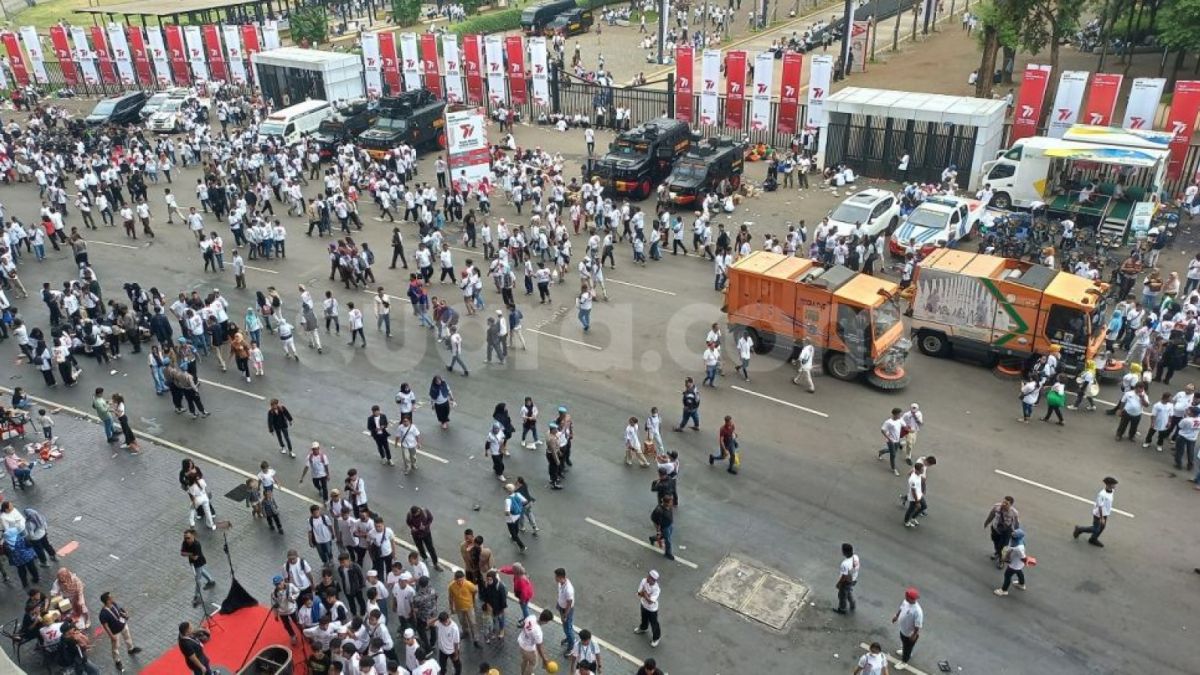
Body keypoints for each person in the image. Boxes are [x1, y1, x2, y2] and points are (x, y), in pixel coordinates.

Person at [97, 592, 142, 671]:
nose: (113, 597)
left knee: (128, 638)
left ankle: (130, 649)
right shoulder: (103, 614)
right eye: (111, 597)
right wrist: (111, 636)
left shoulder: (113, 604)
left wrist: (124, 614)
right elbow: (106, 626)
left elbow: (119, 610)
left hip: (123, 625)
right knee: (115, 647)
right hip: (115, 632)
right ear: (107, 601)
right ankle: (117, 661)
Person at [1073, 476, 1118, 547]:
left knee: (1102, 527)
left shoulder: (1111, 491)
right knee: (1096, 529)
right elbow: (1100, 507)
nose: (1115, 485)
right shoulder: (1102, 495)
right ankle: (1079, 529)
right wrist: (1102, 518)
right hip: (1099, 514)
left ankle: (1093, 539)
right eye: (1114, 484)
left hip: (1105, 513)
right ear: (1109, 485)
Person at [983, 496, 1020, 568]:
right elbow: (991, 515)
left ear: (1011, 505)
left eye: (1006, 503)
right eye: (1003, 502)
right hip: (995, 528)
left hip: (1006, 531)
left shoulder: (1014, 512)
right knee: (995, 542)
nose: (1004, 504)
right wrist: (986, 522)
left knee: (1003, 547)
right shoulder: (996, 507)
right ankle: (997, 552)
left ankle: (1001, 560)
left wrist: (1016, 532)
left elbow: (1016, 523)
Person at [891, 587, 923, 669]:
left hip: (910, 634)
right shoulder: (906, 602)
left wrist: (913, 635)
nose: (905, 596)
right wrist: (896, 616)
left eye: (907, 595)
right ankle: (906, 651)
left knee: (908, 647)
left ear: (911, 598)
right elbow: (901, 609)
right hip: (903, 630)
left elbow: (917, 626)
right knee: (905, 644)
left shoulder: (917, 611)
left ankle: (904, 662)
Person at [993, 528, 1029, 596]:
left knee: (1007, 576)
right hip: (1018, 564)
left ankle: (1004, 590)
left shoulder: (1019, 547)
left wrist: (1026, 560)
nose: (1012, 536)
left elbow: (1023, 557)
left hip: (1014, 564)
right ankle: (1021, 584)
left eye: (1013, 536)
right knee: (1019, 572)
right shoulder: (1021, 541)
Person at [517, 608, 553, 675]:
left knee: (525, 660)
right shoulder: (538, 632)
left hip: (521, 641)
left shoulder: (531, 617)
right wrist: (544, 659)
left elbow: (524, 624)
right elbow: (539, 648)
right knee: (533, 663)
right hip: (528, 649)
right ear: (546, 621)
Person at [634, 569, 662, 647]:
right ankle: (643, 628)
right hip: (643, 604)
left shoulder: (656, 589)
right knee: (644, 618)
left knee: (654, 624)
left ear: (653, 580)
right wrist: (646, 595)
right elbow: (639, 593)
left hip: (652, 609)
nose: (647, 578)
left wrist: (644, 593)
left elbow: (650, 601)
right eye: (648, 576)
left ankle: (656, 638)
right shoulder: (644, 580)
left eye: (649, 577)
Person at [834, 542, 860, 614]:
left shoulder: (845, 564)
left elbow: (844, 576)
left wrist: (839, 584)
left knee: (842, 595)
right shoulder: (856, 557)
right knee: (848, 592)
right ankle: (852, 604)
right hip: (854, 579)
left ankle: (842, 609)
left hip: (846, 582)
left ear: (845, 552)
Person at [878, 408, 904, 475]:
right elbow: (883, 430)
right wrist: (888, 438)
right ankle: (894, 468)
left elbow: (904, 426)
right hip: (891, 441)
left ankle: (881, 452)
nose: (900, 416)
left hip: (897, 440)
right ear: (895, 414)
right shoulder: (888, 422)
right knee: (893, 455)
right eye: (899, 414)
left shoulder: (900, 420)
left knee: (893, 451)